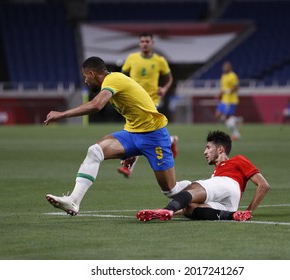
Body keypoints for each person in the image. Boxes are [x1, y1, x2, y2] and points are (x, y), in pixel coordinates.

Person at [44, 57, 188, 216]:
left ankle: (205, 189)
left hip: (155, 137)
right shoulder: (113, 81)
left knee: (170, 190)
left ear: (92, 73)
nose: (85, 80)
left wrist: (62, 115)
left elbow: (96, 105)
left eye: (85, 76)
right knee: (95, 151)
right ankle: (73, 201)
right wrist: (132, 150)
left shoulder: (113, 79)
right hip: (132, 133)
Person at [136, 130, 270, 222]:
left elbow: (263, 185)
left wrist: (250, 210)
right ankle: (233, 216)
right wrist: (162, 212)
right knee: (189, 209)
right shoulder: (215, 175)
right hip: (230, 205)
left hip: (229, 185)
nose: (205, 152)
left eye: (208, 147)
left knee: (192, 188)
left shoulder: (237, 160)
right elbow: (186, 205)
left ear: (220, 149)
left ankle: (166, 210)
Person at [117, 32, 178, 178]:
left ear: (152, 43)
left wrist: (164, 88)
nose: (145, 43)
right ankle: (171, 140)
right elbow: (122, 75)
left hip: (152, 101)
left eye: (147, 41)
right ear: (139, 43)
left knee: (140, 133)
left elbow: (169, 78)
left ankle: (128, 167)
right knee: (144, 133)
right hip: (133, 100)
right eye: (142, 41)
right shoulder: (131, 58)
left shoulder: (159, 61)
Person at [215, 61, 242, 140]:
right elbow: (223, 88)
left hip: (231, 100)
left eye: (226, 67)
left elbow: (236, 87)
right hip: (224, 100)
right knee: (218, 115)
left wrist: (226, 91)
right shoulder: (223, 76)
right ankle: (236, 119)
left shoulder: (233, 76)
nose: (224, 68)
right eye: (224, 67)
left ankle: (236, 134)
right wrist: (220, 94)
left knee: (227, 118)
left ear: (230, 68)